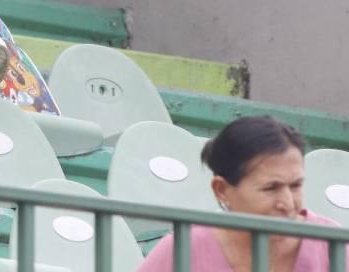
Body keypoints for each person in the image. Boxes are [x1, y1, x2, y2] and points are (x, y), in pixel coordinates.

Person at [139, 116, 344, 271]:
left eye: (296, 185)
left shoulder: (332, 245)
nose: (288, 203)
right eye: (270, 188)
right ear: (222, 190)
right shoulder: (183, 248)